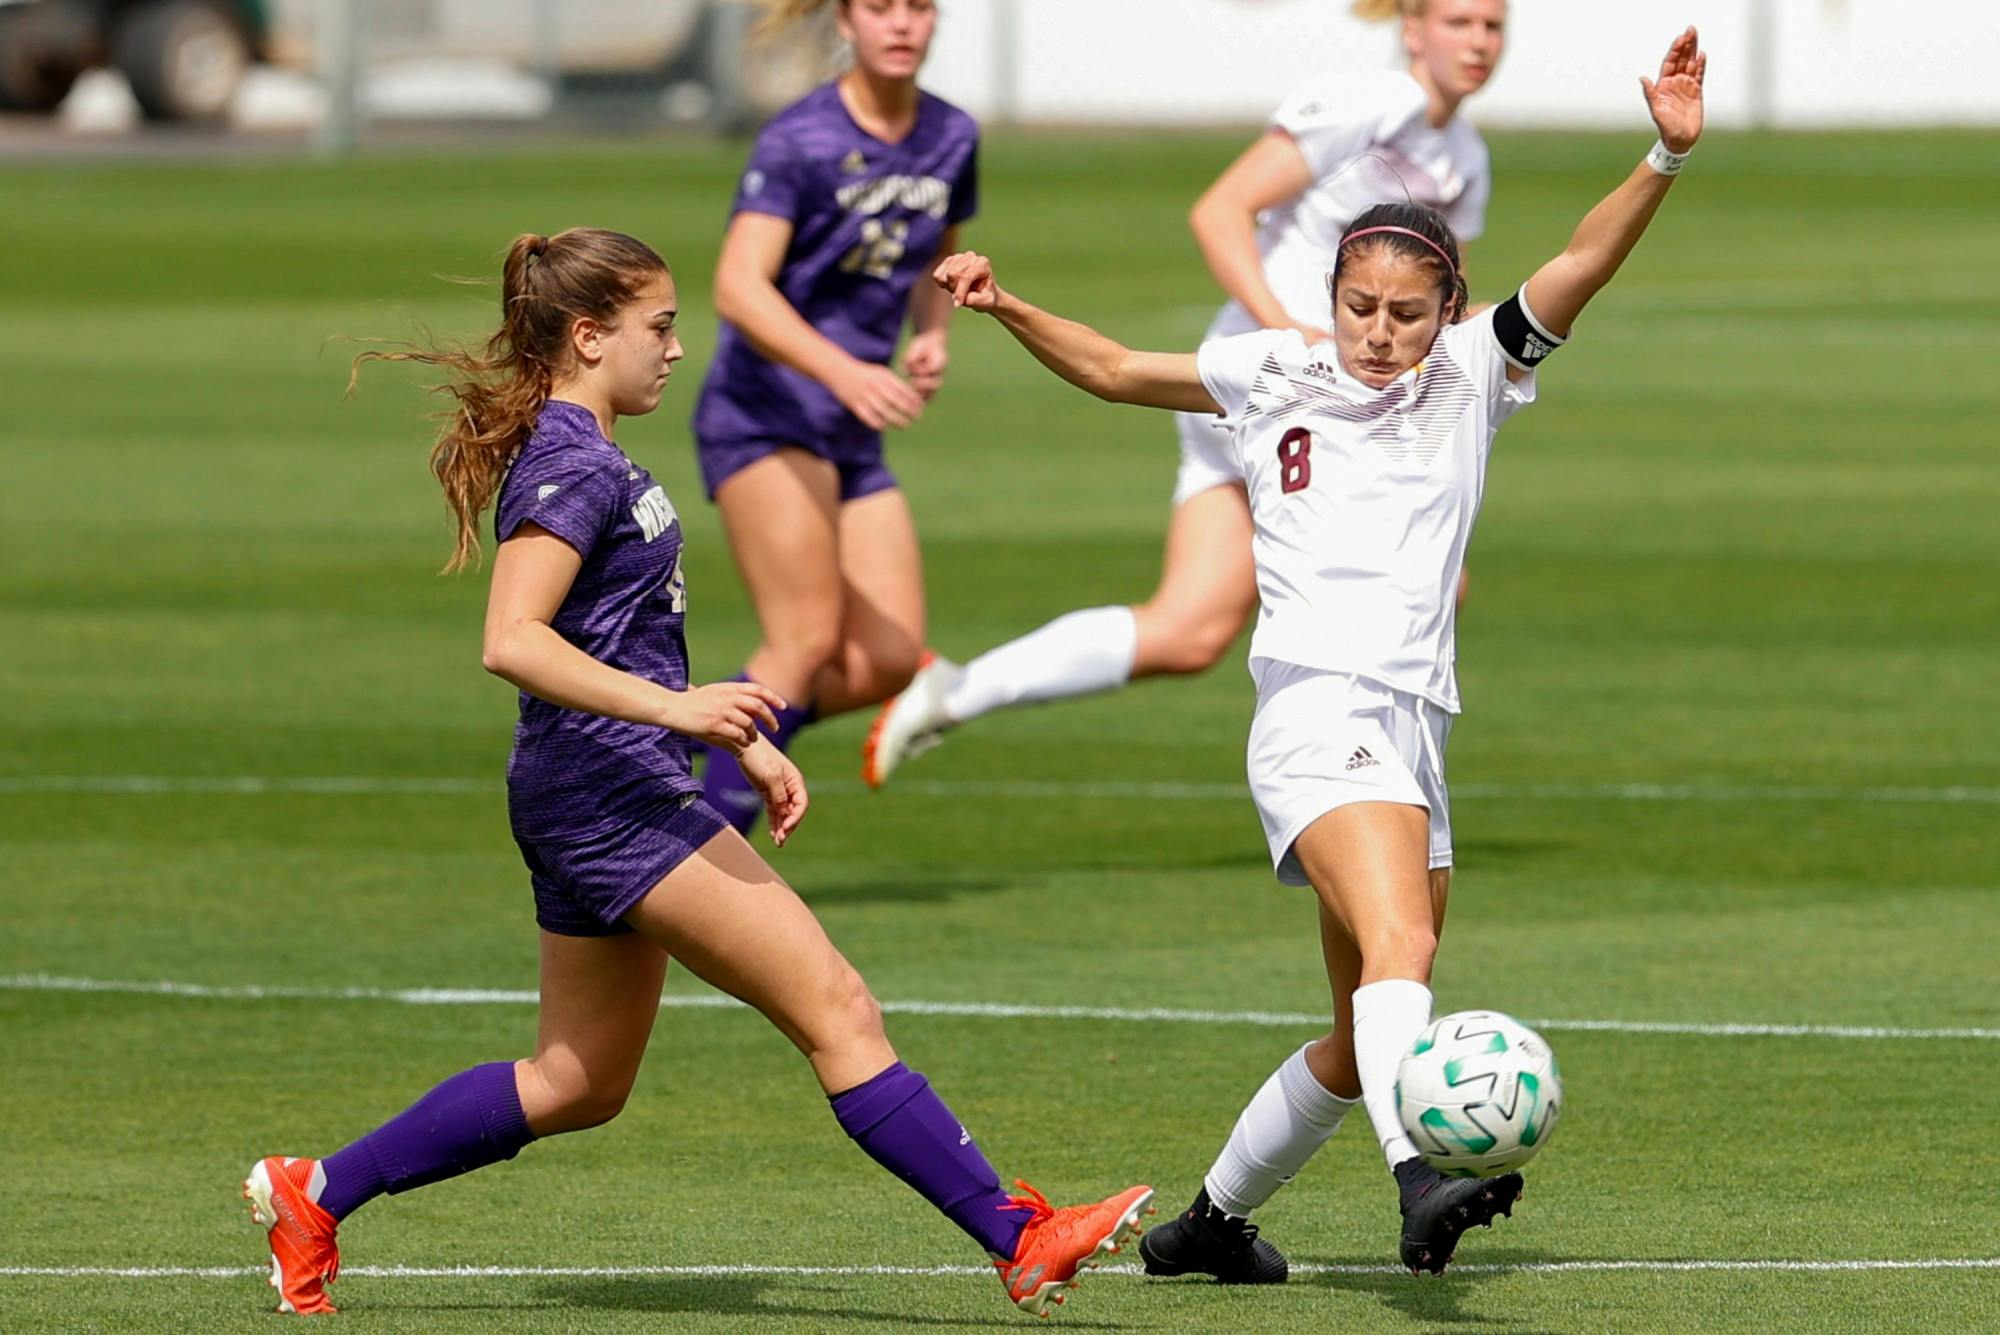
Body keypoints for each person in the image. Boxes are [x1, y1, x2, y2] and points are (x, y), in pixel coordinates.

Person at [242, 228, 1151, 1320]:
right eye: (658, 327)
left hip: (591, 788)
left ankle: (316, 1190)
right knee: (839, 1011)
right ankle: (1018, 1237)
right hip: (611, 800)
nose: (677, 349)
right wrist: (682, 711)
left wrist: (734, 737)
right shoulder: (572, 465)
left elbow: (612, 637)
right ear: (588, 337)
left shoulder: (585, 449)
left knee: (577, 1083)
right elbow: (512, 638)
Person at [926, 29, 1706, 1282]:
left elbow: (1579, 263)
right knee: (1401, 961)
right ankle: (1418, 1178)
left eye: (1405, 311)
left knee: (1360, 1031)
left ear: (1447, 306)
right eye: (1358, 306)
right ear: (1331, 293)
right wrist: (1004, 303)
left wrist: (1663, 152)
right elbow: (1120, 369)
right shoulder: (1274, 367)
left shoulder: (1475, 368)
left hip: (1411, 720)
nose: (1377, 333)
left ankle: (1207, 1227)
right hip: (1316, 707)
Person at [865, 0, 1506, 788]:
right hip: (1264, 388)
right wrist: (1292, 333)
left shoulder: (1465, 154)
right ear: (1413, 29)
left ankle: (958, 689)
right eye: (1459, 22)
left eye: (1492, 27)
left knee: (1189, 630)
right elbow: (1221, 210)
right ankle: (1351, 762)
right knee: (1418, 571)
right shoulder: (1366, 106)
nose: (1477, 42)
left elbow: (1444, 297)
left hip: (1319, 396)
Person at [692, 0, 977, 830]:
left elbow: (936, 249)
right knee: (805, 639)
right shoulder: (800, 139)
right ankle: (696, 857)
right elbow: (739, 285)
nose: (901, 24)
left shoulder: (953, 134)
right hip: (765, 410)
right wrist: (844, 370)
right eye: (879, 7)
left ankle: (709, 749)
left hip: (850, 423)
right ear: (845, 22)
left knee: (889, 657)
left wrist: (931, 332)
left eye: (919, 7)